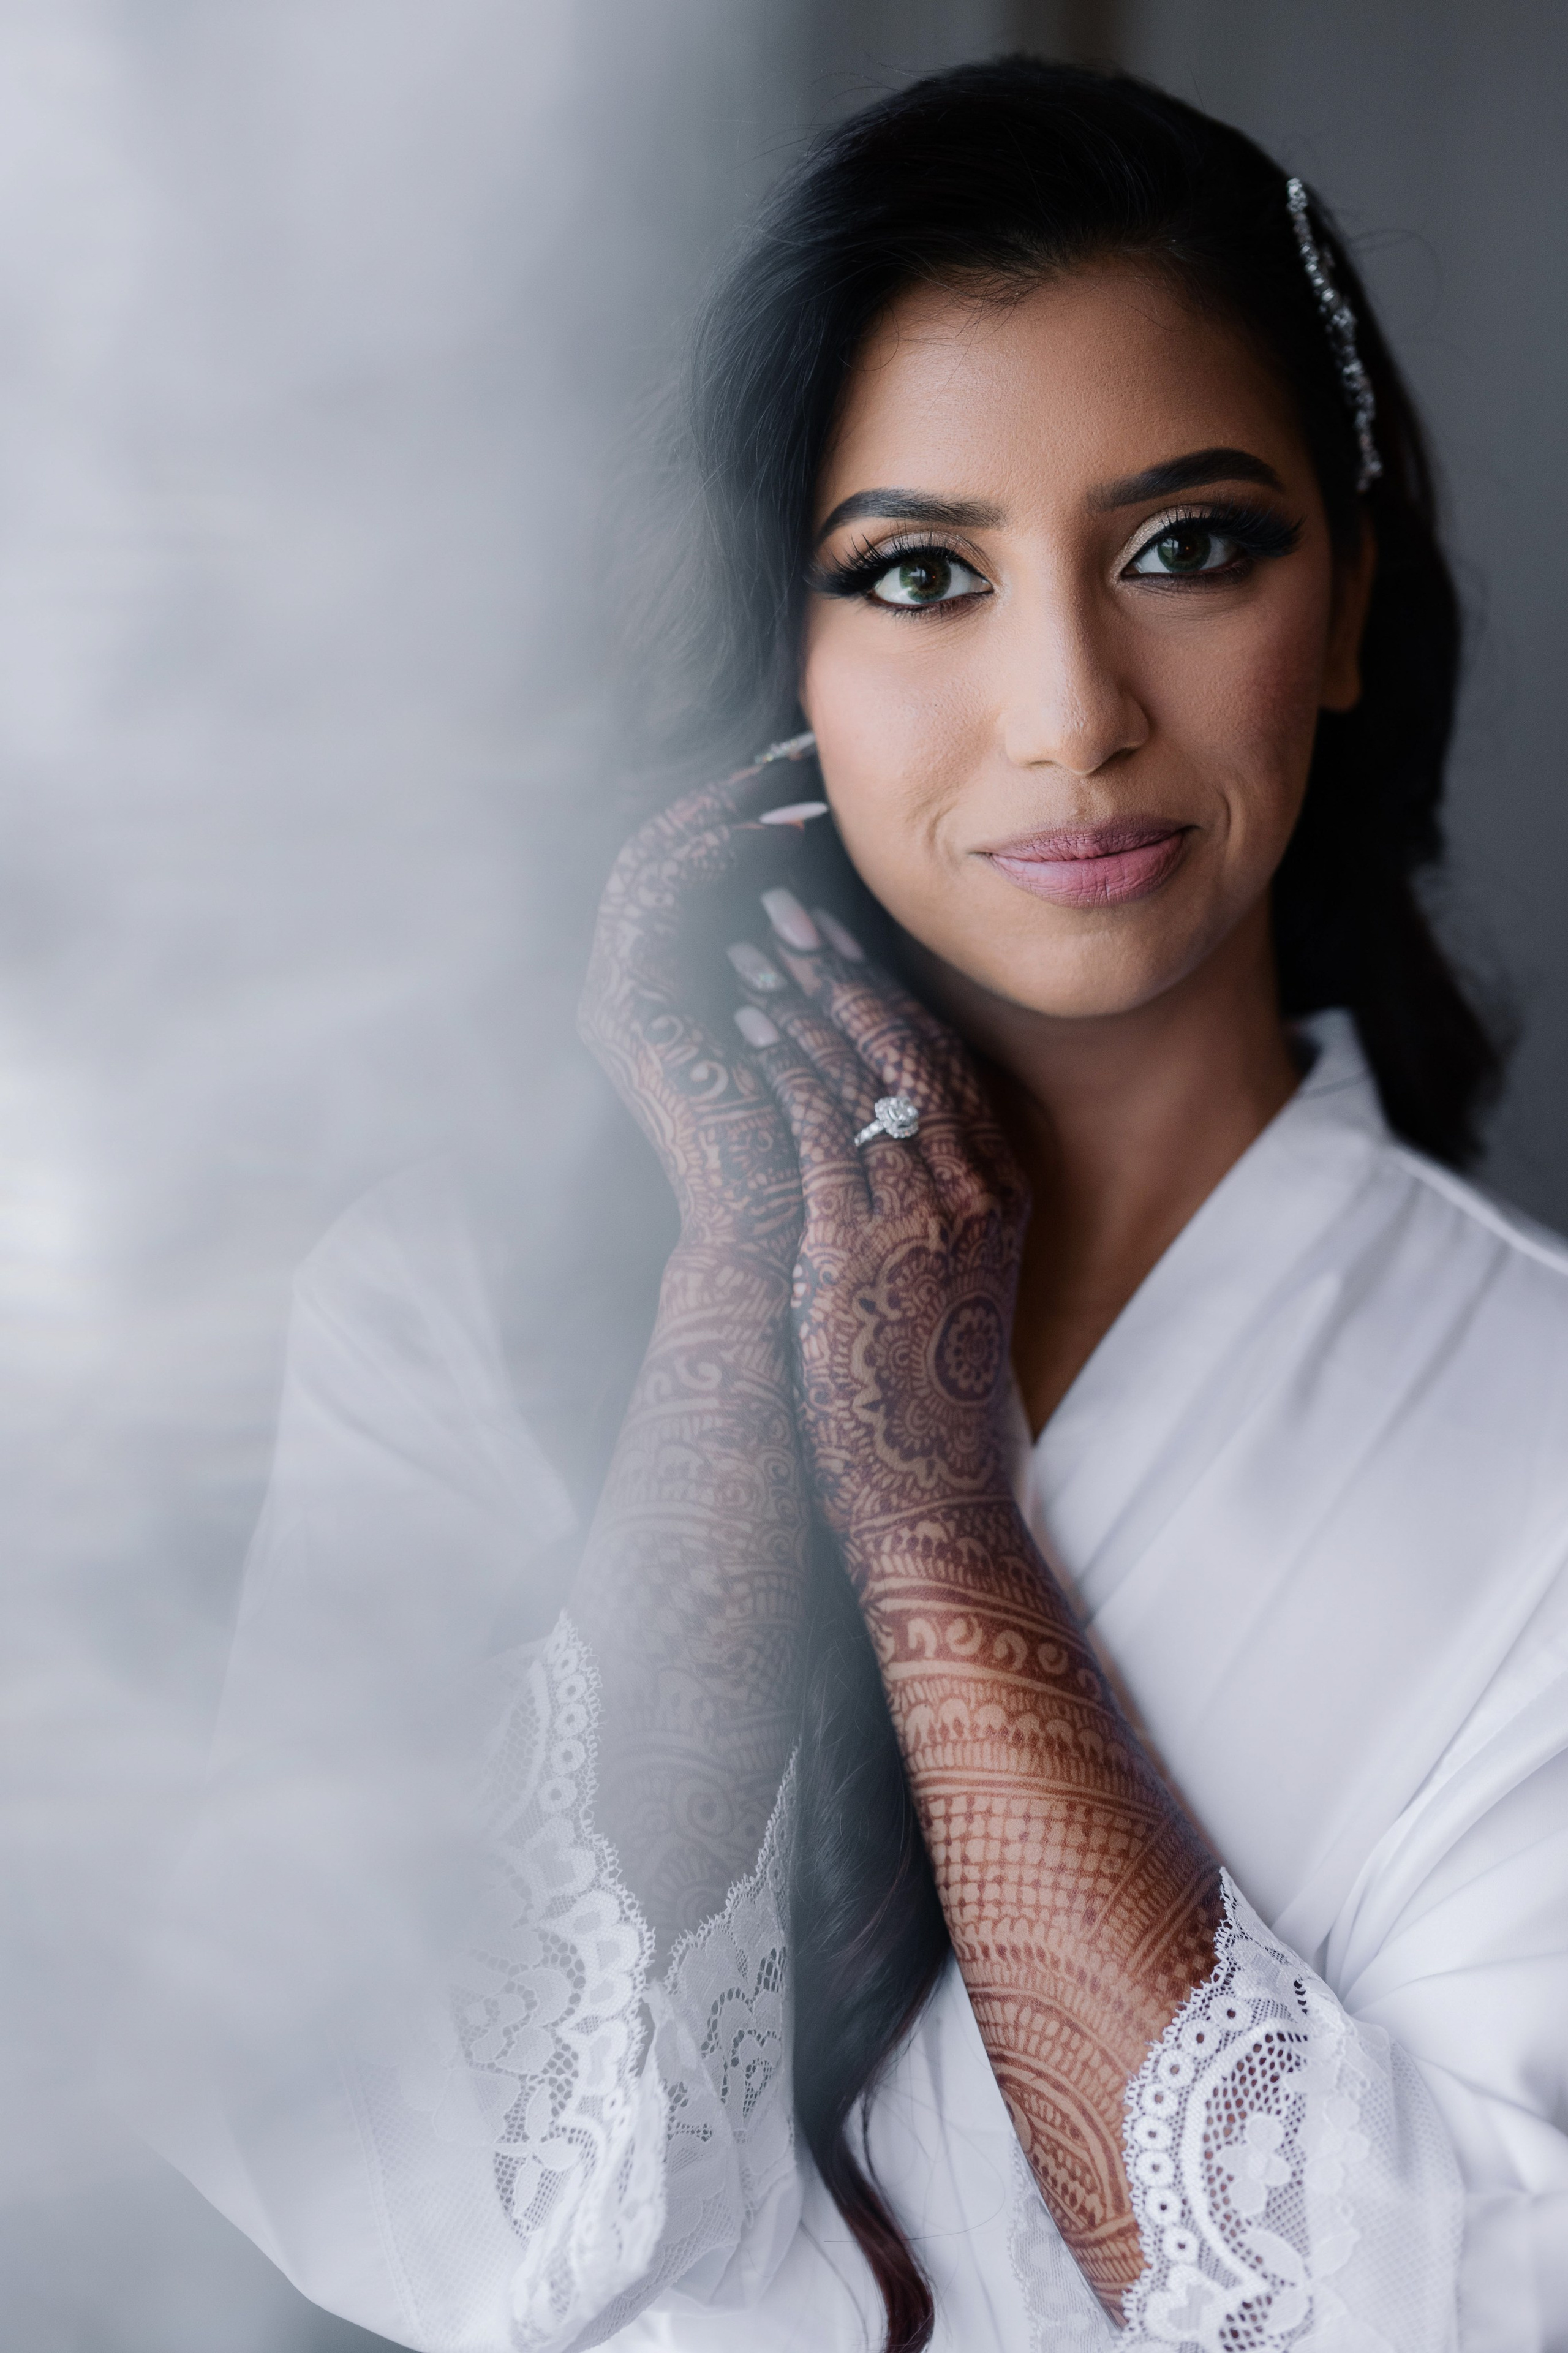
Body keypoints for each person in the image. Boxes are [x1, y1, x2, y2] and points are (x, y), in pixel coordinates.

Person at [159, 56, 1568, 2353]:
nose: (1072, 708)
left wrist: (927, 1499)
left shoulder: (1539, 1426)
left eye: (1190, 544)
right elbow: (441, 2225)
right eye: (920, 573)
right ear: (778, 652)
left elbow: (1444, 2315)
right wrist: (745, 1309)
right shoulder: (445, 1304)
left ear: (1351, 595)